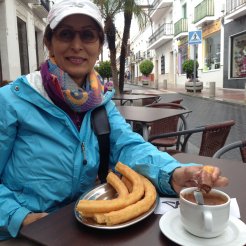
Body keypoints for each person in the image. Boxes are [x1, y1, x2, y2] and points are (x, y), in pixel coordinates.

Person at [0, 0, 228, 240]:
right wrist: (20, 217)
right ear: (49, 42)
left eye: (88, 35)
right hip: (22, 233)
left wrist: (172, 173)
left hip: (81, 228)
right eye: (65, 34)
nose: (76, 45)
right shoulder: (11, 101)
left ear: (98, 47)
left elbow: (129, 147)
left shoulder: (100, 103)